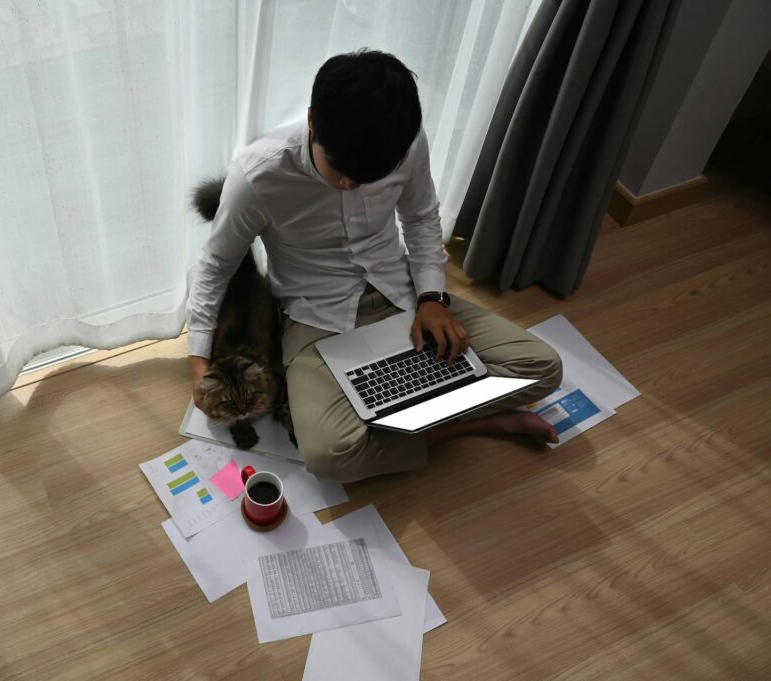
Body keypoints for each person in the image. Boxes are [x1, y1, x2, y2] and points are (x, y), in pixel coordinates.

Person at [186, 50, 562, 483]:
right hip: (315, 318)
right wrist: (199, 366)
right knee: (328, 456)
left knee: (543, 367)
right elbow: (215, 267)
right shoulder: (258, 175)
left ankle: (412, 414)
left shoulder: (404, 140)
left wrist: (433, 299)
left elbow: (421, 219)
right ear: (312, 120)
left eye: (368, 177)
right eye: (340, 171)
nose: (350, 185)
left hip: (404, 295)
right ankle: (474, 423)